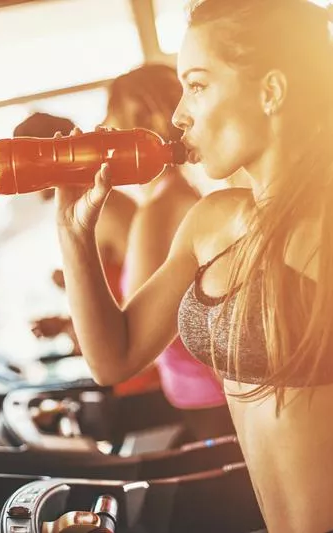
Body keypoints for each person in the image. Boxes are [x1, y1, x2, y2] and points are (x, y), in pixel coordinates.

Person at [52, 1, 333, 532]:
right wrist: (73, 234)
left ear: (271, 91)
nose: (180, 114)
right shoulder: (210, 222)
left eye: (197, 86)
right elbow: (114, 359)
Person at [104, 64, 233, 439]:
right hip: (202, 400)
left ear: (135, 125)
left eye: (111, 123)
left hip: (210, 405)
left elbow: (129, 337)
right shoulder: (176, 196)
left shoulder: (160, 209)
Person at [19, 113, 160, 395]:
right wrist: (64, 323)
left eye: (28, 162)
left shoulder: (104, 212)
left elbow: (138, 306)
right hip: (128, 364)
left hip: (145, 371)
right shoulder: (88, 210)